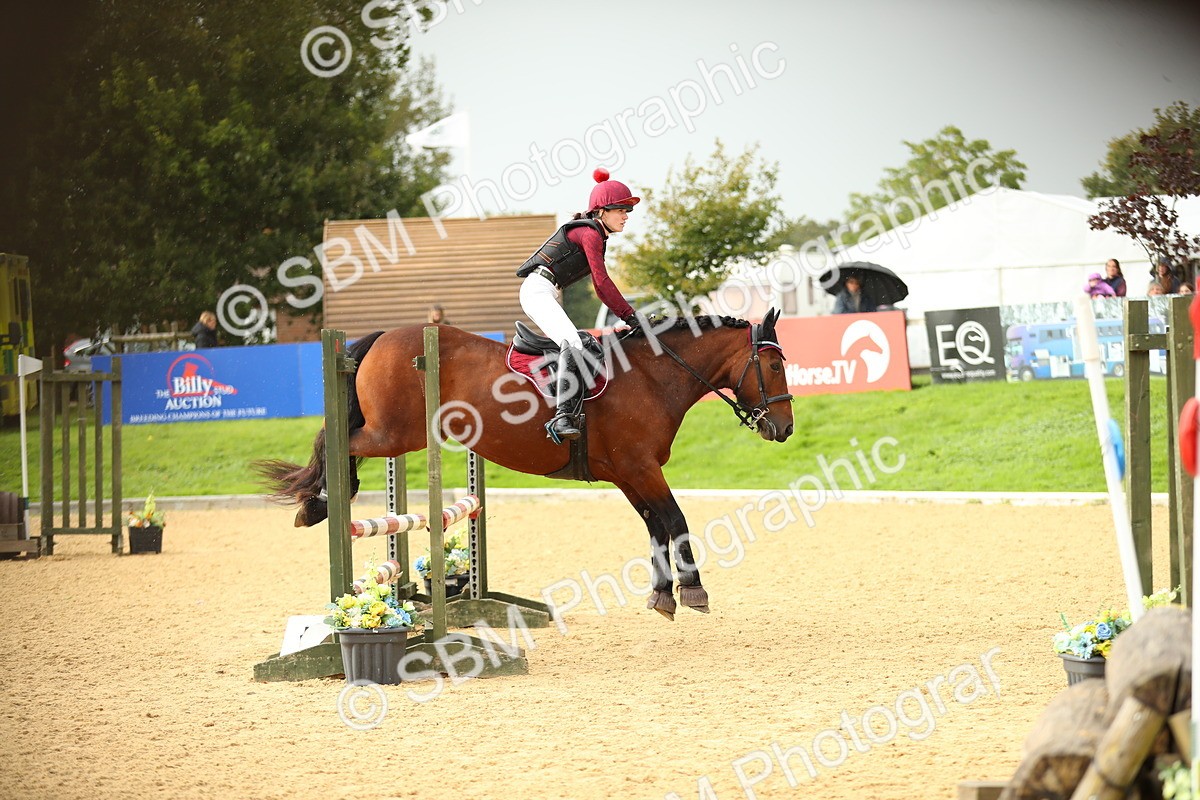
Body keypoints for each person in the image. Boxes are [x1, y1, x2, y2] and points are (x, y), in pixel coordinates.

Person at [516, 168, 641, 443]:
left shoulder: (594, 234)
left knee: (584, 343)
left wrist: (629, 317)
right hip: (538, 291)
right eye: (621, 210)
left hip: (545, 290)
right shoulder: (590, 234)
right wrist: (631, 317)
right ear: (601, 211)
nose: (626, 216)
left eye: (627, 211)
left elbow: (601, 287)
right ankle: (562, 417)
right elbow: (602, 284)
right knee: (572, 343)